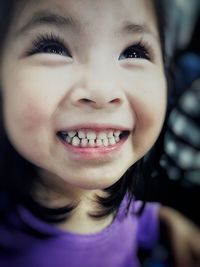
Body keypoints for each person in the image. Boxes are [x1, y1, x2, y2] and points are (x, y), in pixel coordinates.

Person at [0, 1, 199, 267]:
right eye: (53, 48)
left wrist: (164, 220)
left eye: (134, 52)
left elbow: (128, 216)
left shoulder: (117, 184)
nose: (102, 92)